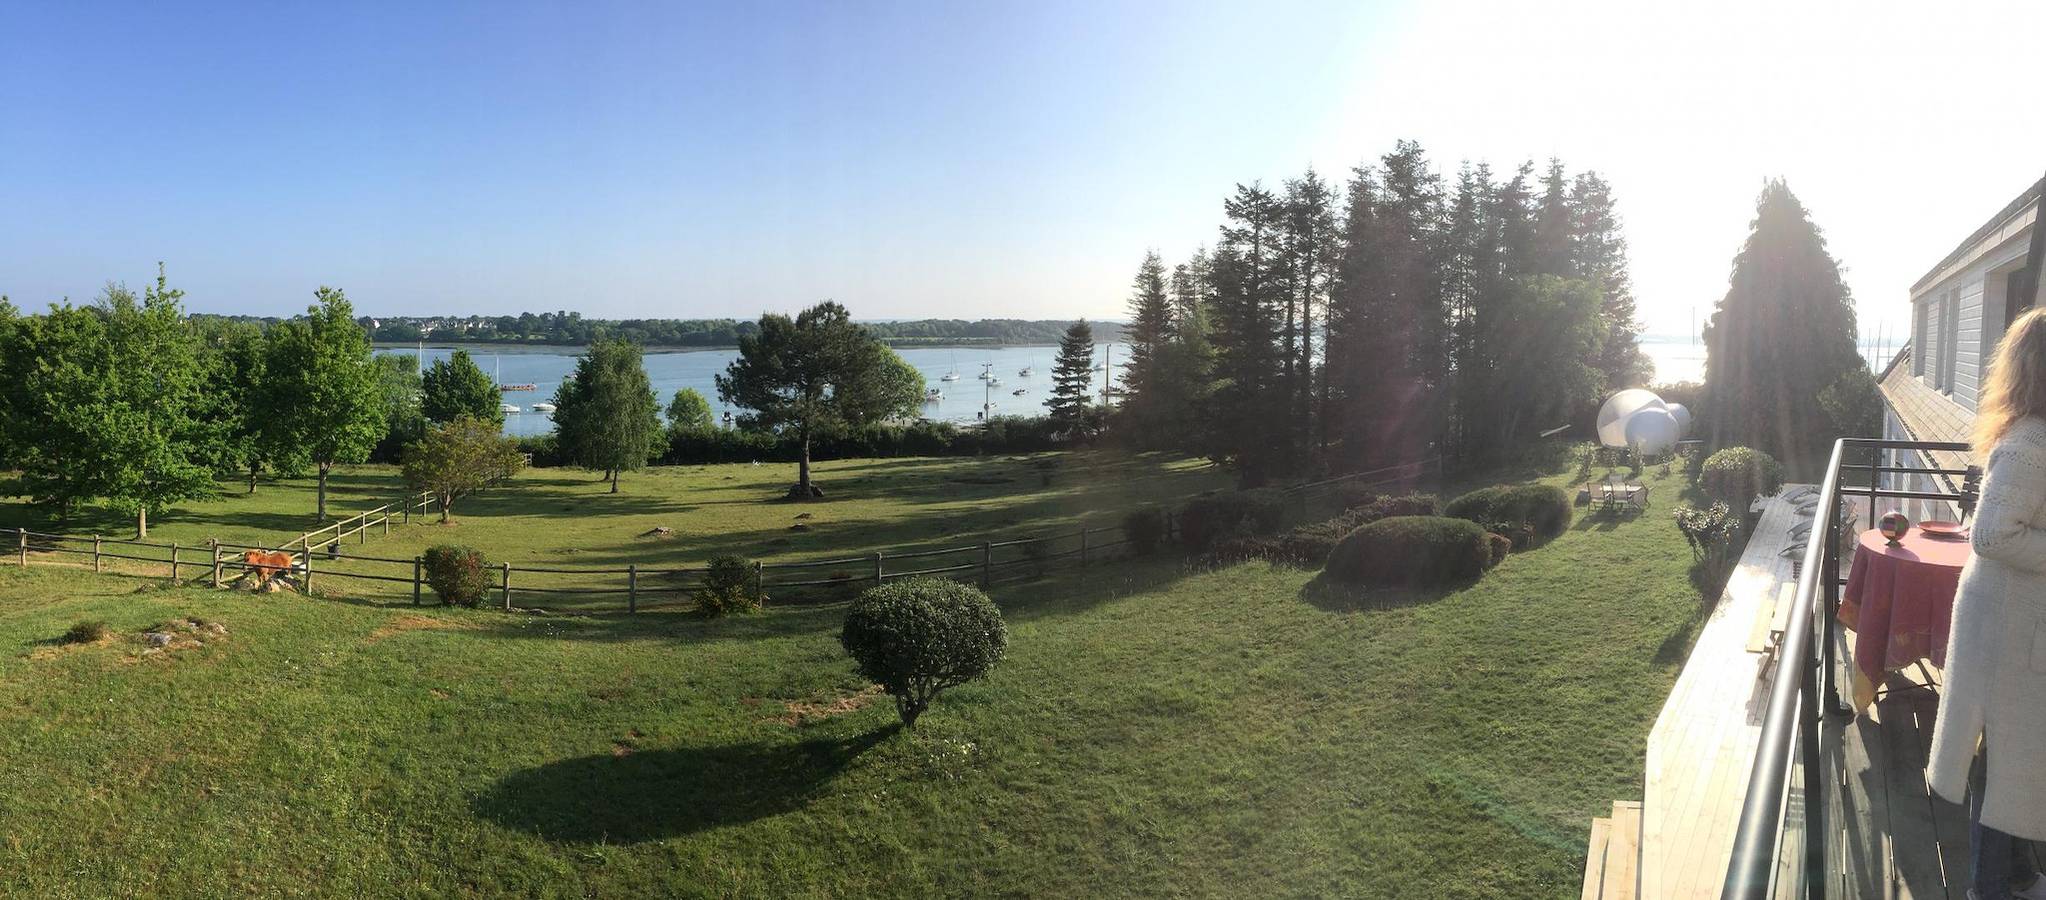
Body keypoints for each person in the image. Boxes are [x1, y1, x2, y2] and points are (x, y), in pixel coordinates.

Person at [1929, 307, 2046, 900]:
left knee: (2019, 757)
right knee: (2001, 758)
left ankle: (2016, 875)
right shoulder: (2030, 444)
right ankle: (1989, 886)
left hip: (2018, 624)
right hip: (2007, 631)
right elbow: (1993, 535)